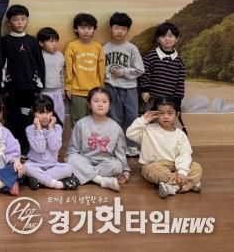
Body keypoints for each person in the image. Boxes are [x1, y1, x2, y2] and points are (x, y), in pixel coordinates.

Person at [126, 98, 202, 198]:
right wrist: (143, 119)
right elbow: (130, 133)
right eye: (161, 113)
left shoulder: (181, 134)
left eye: (170, 113)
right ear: (156, 114)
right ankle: (188, 184)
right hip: (155, 165)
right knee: (150, 170)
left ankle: (172, 186)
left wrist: (182, 171)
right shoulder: (148, 130)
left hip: (175, 165)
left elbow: (185, 154)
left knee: (196, 167)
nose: (166, 116)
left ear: (177, 115)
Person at [66, 87, 130, 191]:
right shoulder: (81, 124)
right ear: (89, 104)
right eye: (96, 101)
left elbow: (120, 153)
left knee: (117, 166)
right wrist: (70, 158)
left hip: (105, 162)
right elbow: (73, 149)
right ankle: (100, 180)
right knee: (71, 159)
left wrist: (126, 172)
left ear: (110, 105)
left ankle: (85, 175)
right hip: (85, 160)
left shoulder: (116, 128)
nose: (100, 104)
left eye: (104, 101)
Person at [1, 4, 45, 154]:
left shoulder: (32, 41)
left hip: (30, 88)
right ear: (9, 23)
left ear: (27, 20)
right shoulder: (5, 41)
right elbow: (2, 65)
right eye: (15, 19)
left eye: (23, 19)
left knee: (28, 119)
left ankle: (27, 149)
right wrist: (3, 87)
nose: (19, 22)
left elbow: (40, 64)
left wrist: (39, 85)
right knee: (13, 119)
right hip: (12, 89)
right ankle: (12, 150)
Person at [103, 12, 145, 157]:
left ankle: (131, 145)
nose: (119, 31)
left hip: (130, 88)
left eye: (123, 29)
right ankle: (118, 146)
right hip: (111, 87)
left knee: (132, 117)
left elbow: (140, 69)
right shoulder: (105, 48)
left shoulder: (131, 48)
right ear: (110, 29)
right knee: (115, 118)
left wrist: (122, 72)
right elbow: (100, 68)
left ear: (127, 30)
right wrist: (109, 73)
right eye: (116, 28)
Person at [24, 95, 79, 190]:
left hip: (53, 165)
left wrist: (50, 129)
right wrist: (38, 129)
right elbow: (40, 149)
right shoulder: (30, 129)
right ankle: (57, 184)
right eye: (40, 113)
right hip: (35, 164)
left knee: (68, 168)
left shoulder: (57, 128)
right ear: (34, 113)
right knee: (26, 167)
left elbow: (55, 147)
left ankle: (38, 180)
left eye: (48, 112)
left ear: (52, 113)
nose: (44, 116)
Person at [64, 13, 105, 125]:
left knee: (95, 119)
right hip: (77, 91)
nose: (86, 31)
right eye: (82, 27)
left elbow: (101, 68)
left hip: (95, 91)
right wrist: (68, 86)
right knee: (79, 120)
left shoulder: (98, 46)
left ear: (94, 30)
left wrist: (101, 85)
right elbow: (68, 68)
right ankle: (78, 137)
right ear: (76, 29)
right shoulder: (72, 46)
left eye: (89, 28)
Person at [139, 22, 186, 117]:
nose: (167, 39)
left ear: (177, 39)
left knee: (165, 120)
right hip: (151, 98)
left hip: (169, 100)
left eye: (170, 36)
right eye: (163, 36)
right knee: (149, 120)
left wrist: (178, 101)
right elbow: (144, 73)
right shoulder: (151, 56)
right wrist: (145, 90)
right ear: (158, 39)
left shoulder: (179, 61)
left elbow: (180, 83)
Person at [37, 27, 66, 125]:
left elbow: (62, 74)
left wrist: (62, 90)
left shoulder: (60, 55)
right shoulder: (38, 55)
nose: (54, 44)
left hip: (57, 92)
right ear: (41, 43)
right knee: (44, 118)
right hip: (43, 93)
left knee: (59, 118)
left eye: (56, 41)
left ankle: (58, 134)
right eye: (51, 41)